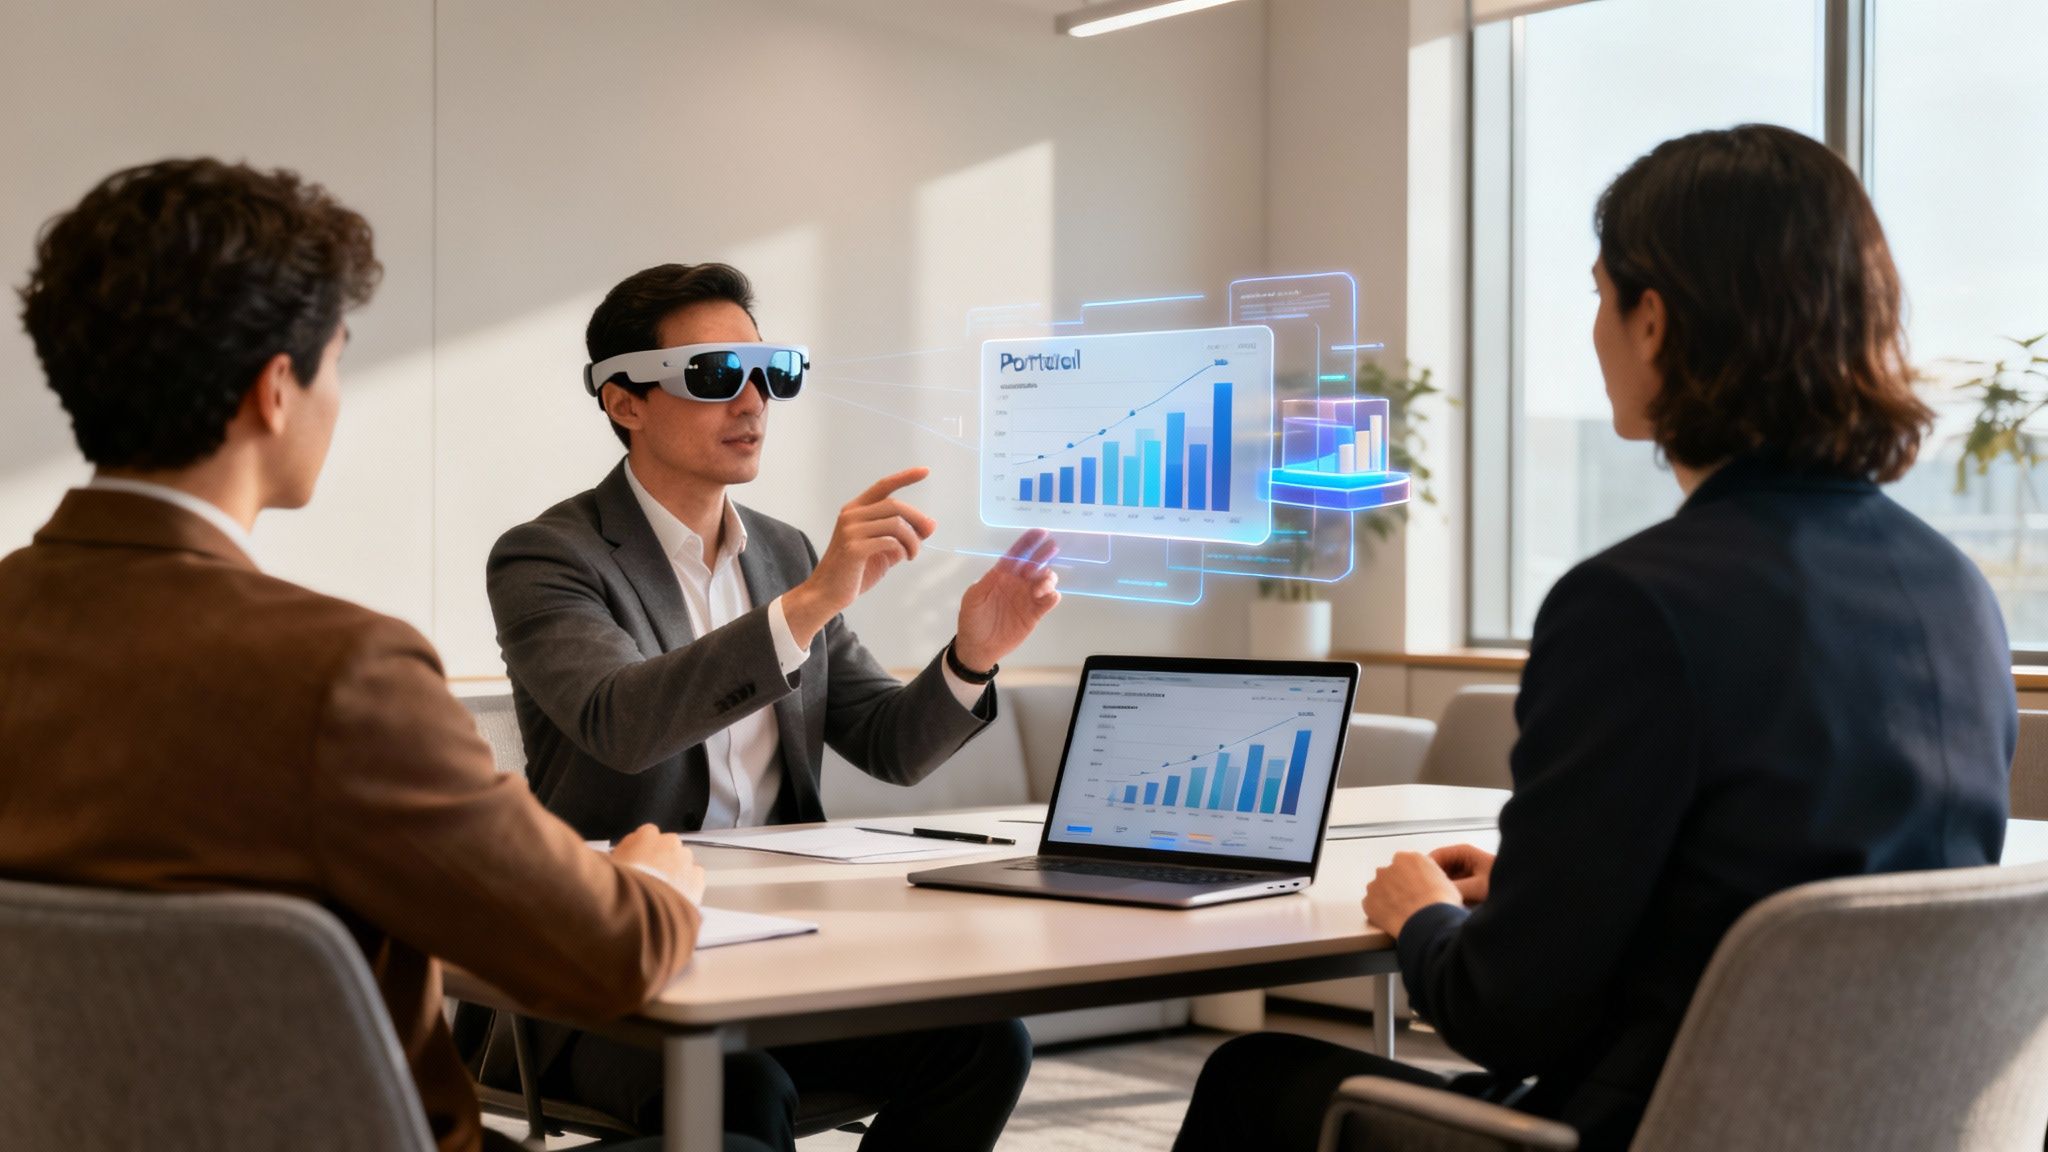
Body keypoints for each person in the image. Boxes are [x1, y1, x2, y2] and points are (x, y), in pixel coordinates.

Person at [1173, 124, 2016, 1152]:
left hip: (1642, 1133)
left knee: (1253, 1082)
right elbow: (1784, 894)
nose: (1595, 331)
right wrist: (1533, 890)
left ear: (1651, 321)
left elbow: (1505, 1015)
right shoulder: (1958, 593)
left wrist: (1424, 913)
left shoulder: (1633, 605)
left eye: (1596, 295)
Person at [0, 158, 744, 1152]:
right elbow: (604, 955)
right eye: (337, 360)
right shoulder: (341, 674)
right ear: (276, 389)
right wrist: (656, 883)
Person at [481, 262, 1059, 1150]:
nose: (753, 402)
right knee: (737, 1089)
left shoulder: (783, 553)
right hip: (608, 977)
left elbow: (888, 745)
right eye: (715, 375)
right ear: (624, 400)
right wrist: (809, 604)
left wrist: (973, 654)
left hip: (781, 948)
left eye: (772, 372)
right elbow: (621, 722)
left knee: (984, 1044)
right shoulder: (548, 558)